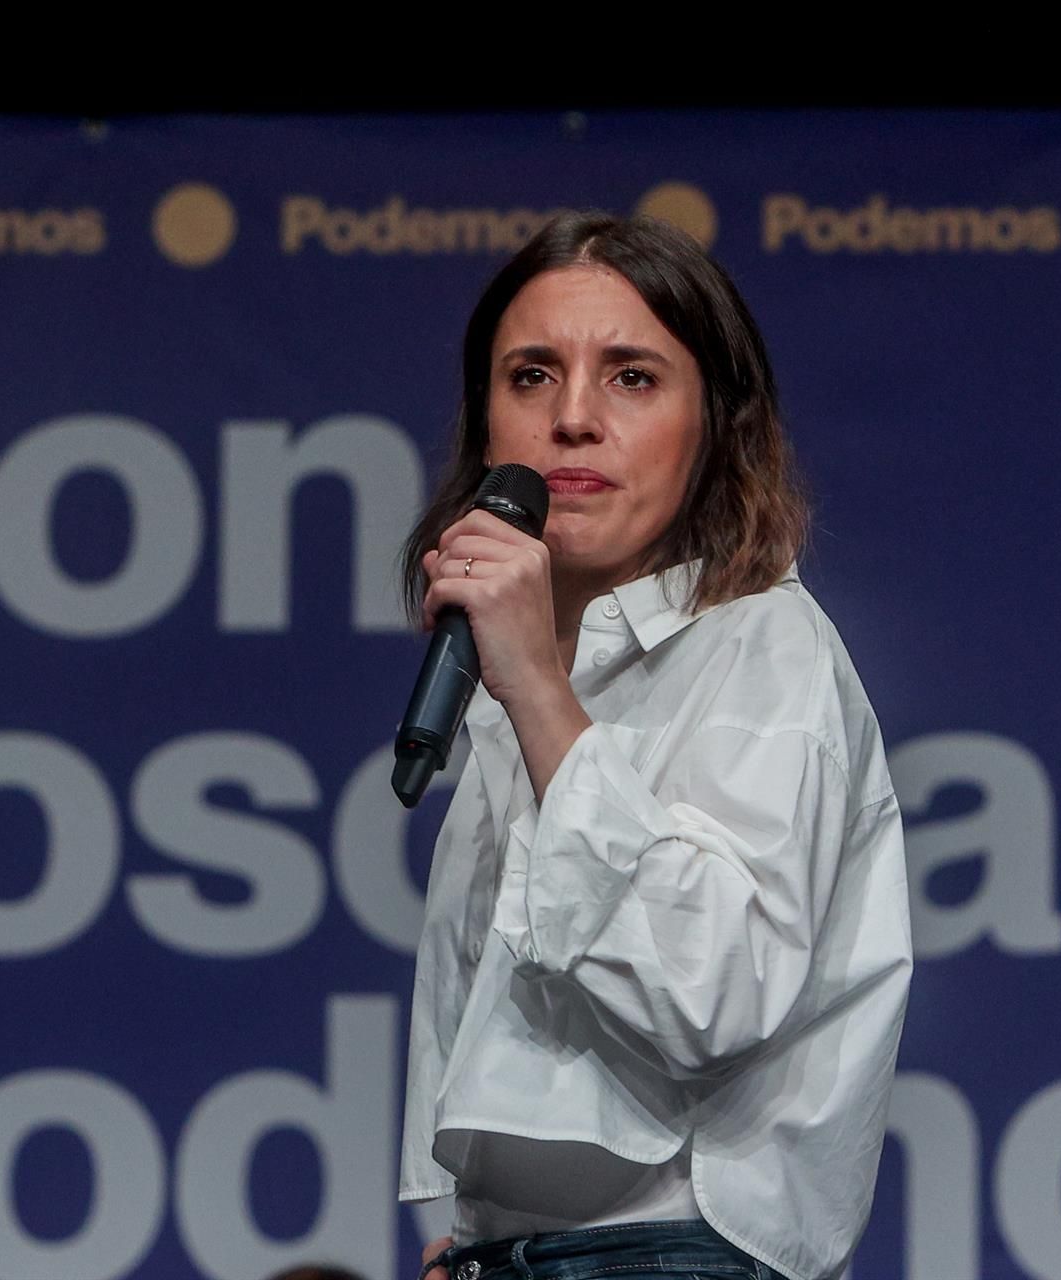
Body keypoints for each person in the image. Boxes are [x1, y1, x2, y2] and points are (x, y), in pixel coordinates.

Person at [397, 211, 912, 1280]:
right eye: (531, 375)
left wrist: (537, 688)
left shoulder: (765, 642)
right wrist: (480, 1231)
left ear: (716, 422)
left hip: (679, 1254)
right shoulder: (530, 671)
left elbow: (713, 990)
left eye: (631, 377)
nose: (573, 418)